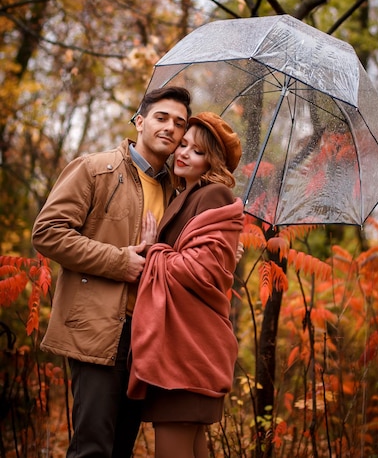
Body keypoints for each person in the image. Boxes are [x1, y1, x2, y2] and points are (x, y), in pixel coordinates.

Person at [31, 86, 192, 458]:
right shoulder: (95, 169)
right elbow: (48, 232)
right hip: (98, 328)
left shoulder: (177, 190)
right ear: (140, 121)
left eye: (180, 123)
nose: (170, 128)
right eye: (161, 117)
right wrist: (120, 261)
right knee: (93, 449)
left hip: (146, 335)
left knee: (121, 448)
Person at [127, 112, 245, 458]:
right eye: (183, 144)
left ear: (213, 161)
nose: (183, 153)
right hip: (184, 344)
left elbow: (199, 270)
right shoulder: (185, 195)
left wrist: (153, 251)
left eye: (197, 151)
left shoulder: (213, 195)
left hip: (186, 350)